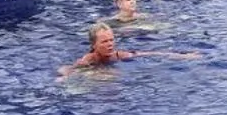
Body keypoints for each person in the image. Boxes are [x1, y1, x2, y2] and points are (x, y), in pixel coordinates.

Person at [61, 23, 199, 75]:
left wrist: (182, 56)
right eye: (104, 41)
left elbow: (148, 54)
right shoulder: (87, 60)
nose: (110, 44)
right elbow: (68, 71)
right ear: (93, 45)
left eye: (111, 40)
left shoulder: (117, 55)